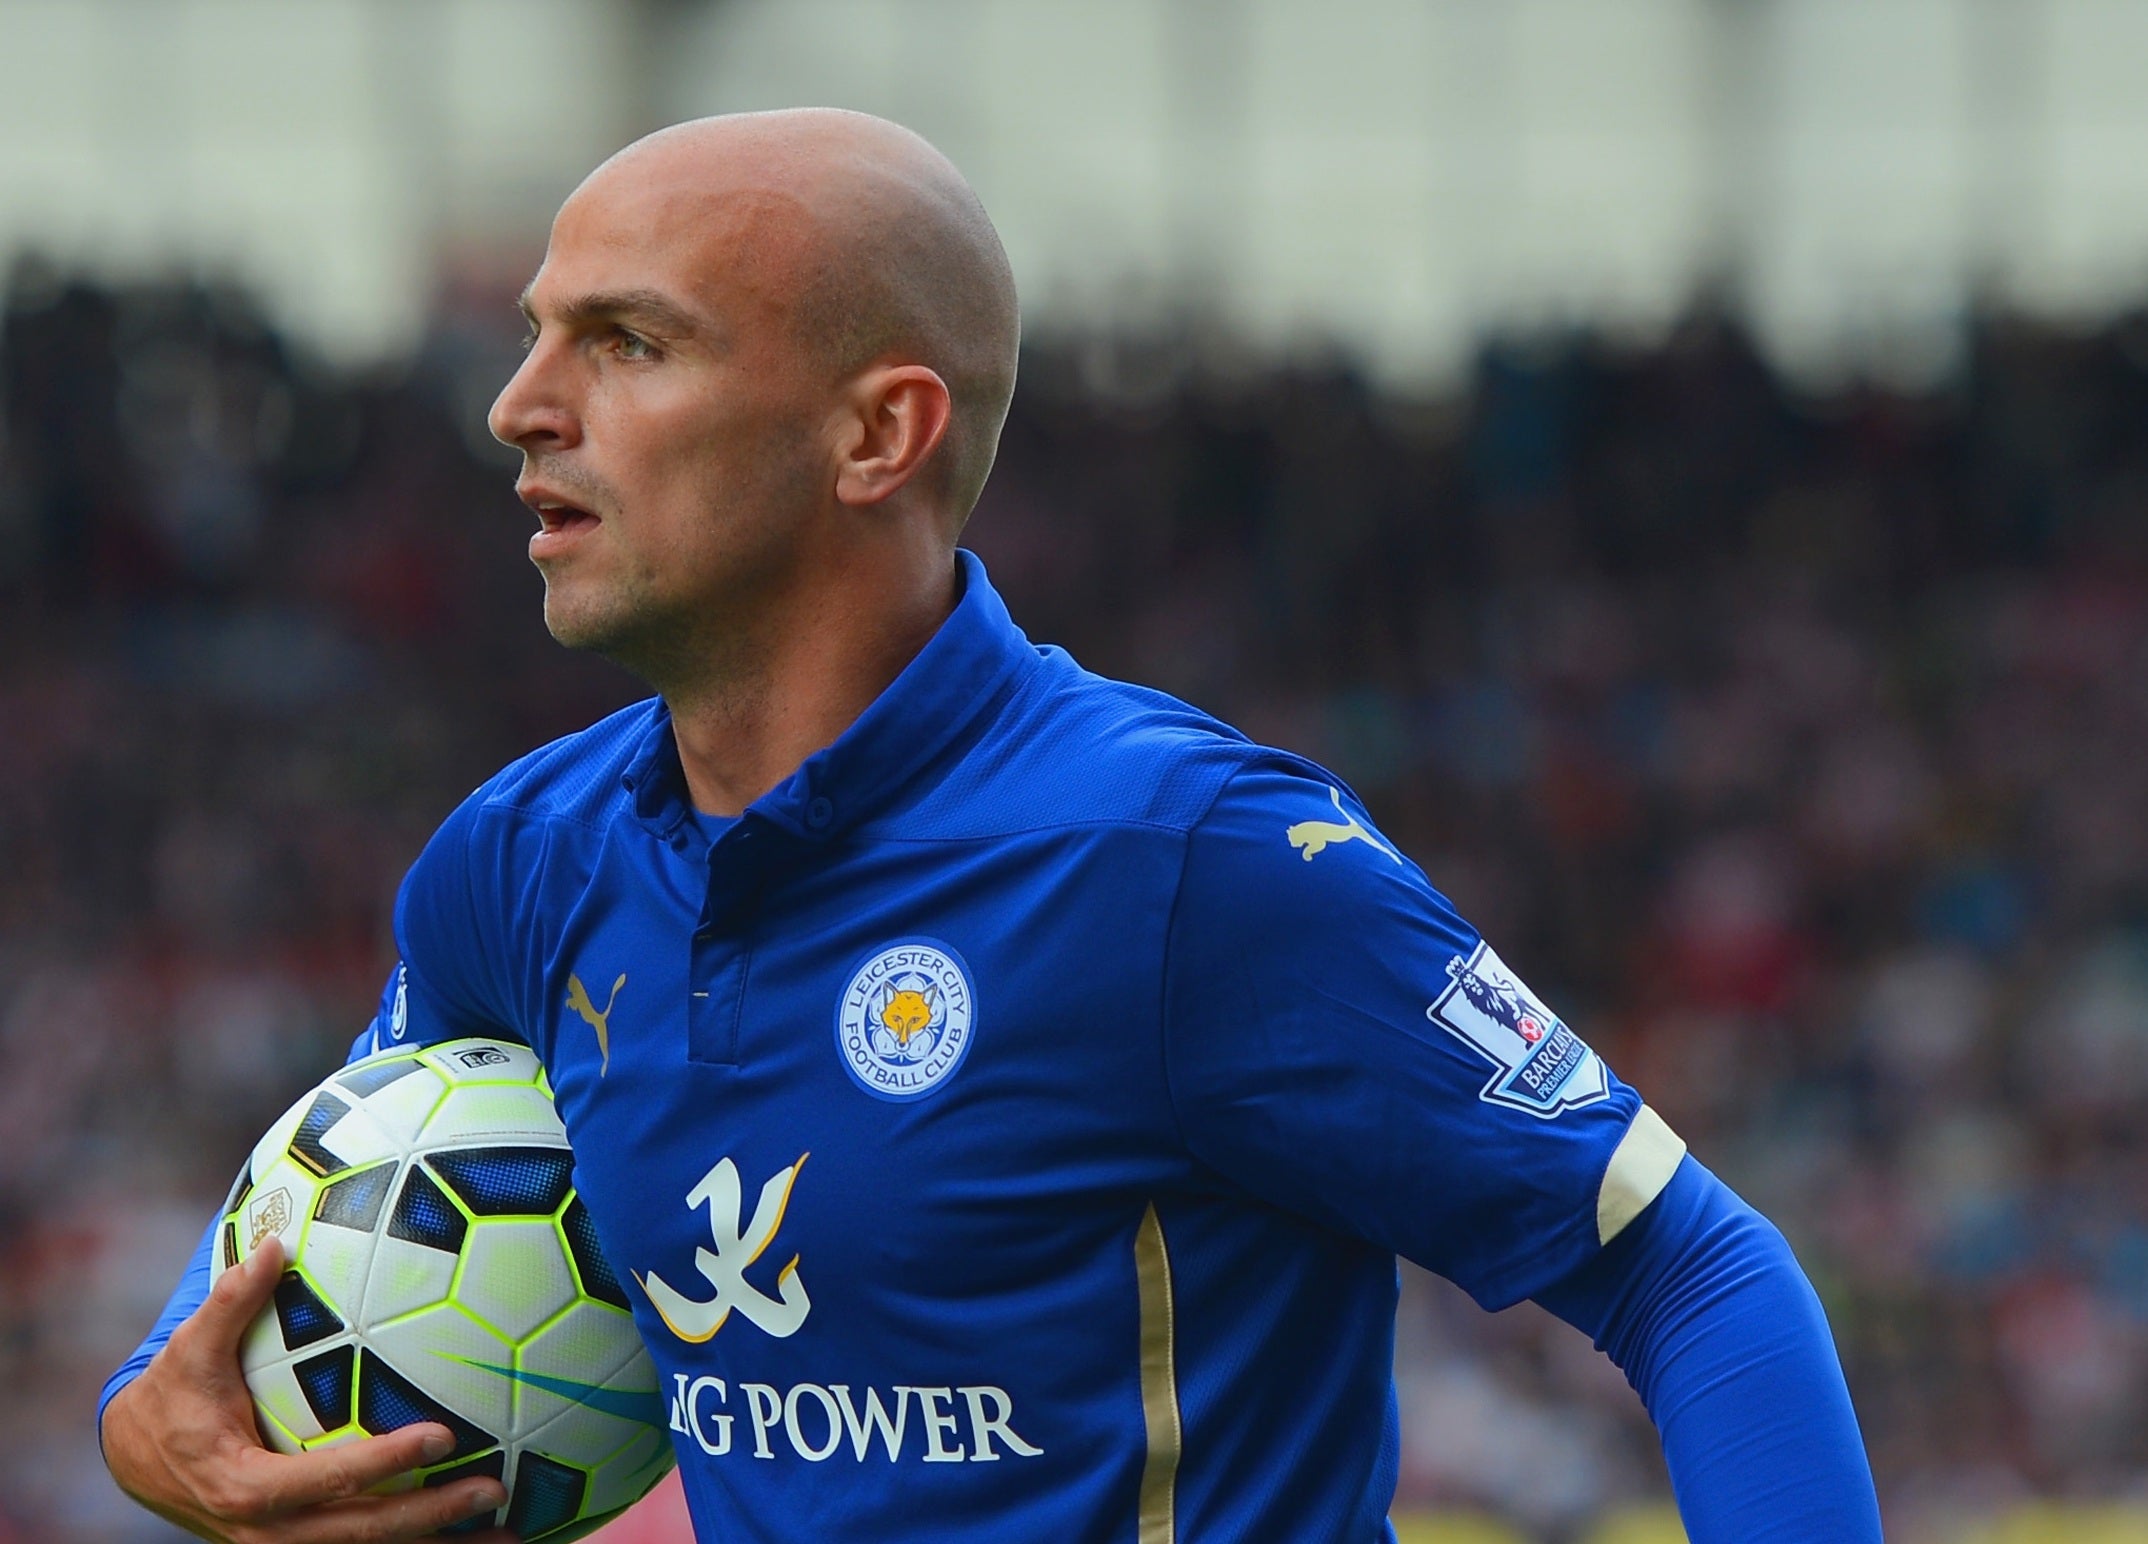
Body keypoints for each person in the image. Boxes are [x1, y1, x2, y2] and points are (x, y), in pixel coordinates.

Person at [100, 109, 1883, 1543]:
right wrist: (149, 1409)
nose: (520, 407)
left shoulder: (1186, 863)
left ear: (879, 433)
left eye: (628, 342)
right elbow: (318, 1188)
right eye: (538, 337)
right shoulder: (521, 862)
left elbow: (1693, 1271)